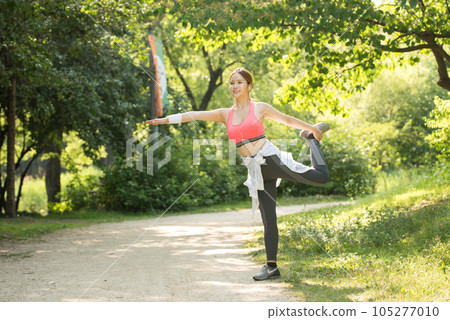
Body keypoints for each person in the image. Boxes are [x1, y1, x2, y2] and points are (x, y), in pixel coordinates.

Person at [147, 67, 330, 281]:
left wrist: (313, 130)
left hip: (270, 158)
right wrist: (165, 120)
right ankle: (271, 267)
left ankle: (310, 141)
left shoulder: (259, 107)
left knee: (321, 177)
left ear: (249, 86)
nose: (235, 86)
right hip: (254, 169)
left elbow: (287, 119)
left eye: (239, 82)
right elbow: (194, 115)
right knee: (268, 219)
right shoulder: (226, 114)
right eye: (232, 83)